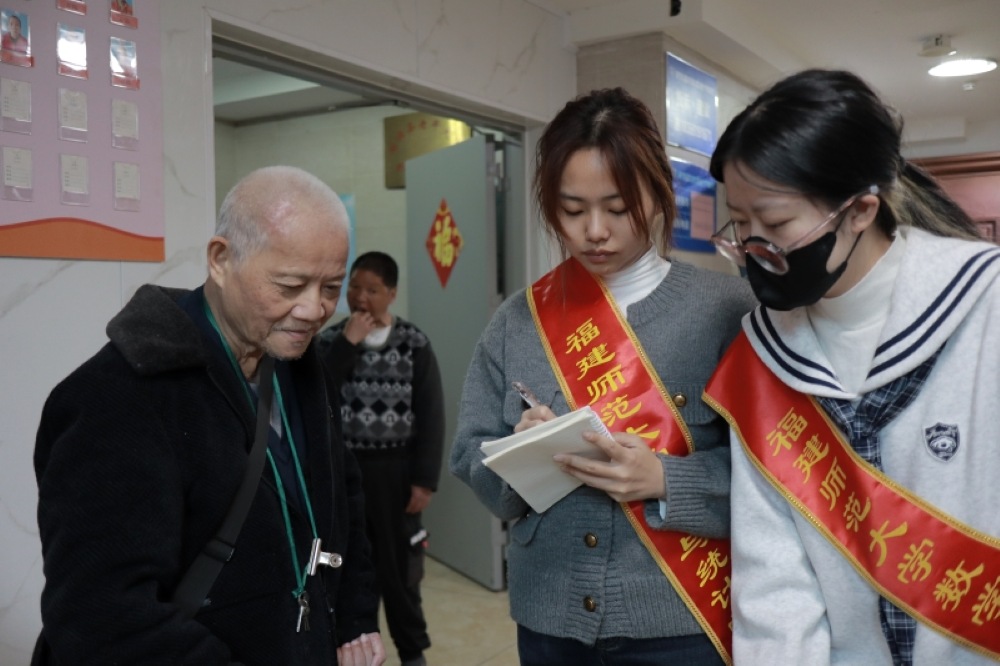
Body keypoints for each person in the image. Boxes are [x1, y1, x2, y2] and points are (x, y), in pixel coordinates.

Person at [449, 87, 755, 665]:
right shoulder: (519, 319)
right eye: (572, 210)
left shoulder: (726, 310)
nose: (595, 231)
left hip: (680, 622)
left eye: (617, 208)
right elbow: (468, 452)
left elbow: (776, 474)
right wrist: (517, 455)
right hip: (549, 619)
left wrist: (668, 480)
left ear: (659, 193)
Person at [32, 166, 386, 666]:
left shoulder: (301, 364)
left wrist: (352, 616)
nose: (313, 310)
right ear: (221, 259)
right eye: (290, 285)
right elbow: (101, 617)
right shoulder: (118, 396)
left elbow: (340, 496)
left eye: (330, 287)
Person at [704, 69, 1000, 664]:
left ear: (861, 210)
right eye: (740, 224)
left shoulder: (985, 307)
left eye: (778, 224)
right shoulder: (759, 355)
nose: (755, 247)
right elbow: (773, 584)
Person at [318, 251, 445, 666]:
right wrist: (348, 343)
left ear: (391, 293)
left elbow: (431, 413)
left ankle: (412, 652)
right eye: (354, 287)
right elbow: (317, 399)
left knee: (400, 571)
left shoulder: (414, 342)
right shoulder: (327, 341)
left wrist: (424, 480)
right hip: (345, 471)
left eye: (372, 290)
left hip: (397, 473)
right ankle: (358, 647)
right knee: (353, 566)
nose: (361, 297)